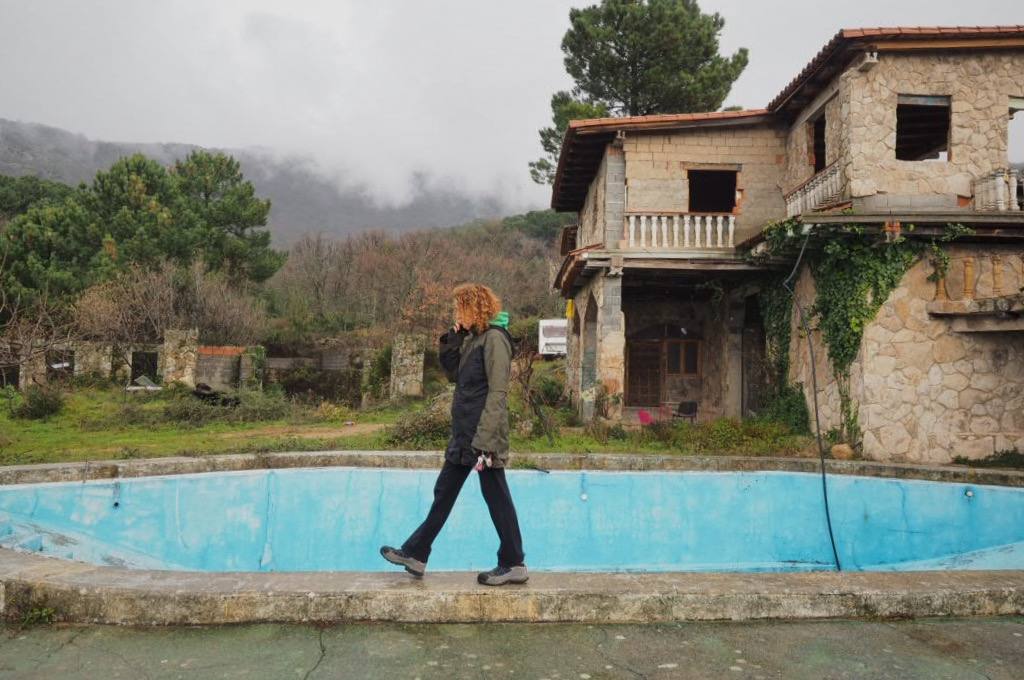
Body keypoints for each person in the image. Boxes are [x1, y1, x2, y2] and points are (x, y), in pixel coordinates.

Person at [380, 283, 527, 586]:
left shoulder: (495, 340)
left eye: (462, 308)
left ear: (477, 308)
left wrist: (486, 442)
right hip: (464, 434)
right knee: (444, 493)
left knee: (496, 496)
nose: (458, 313)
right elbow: (454, 374)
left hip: (482, 436)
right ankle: (416, 553)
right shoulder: (475, 339)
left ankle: (514, 563)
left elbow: (498, 392)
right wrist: (454, 337)